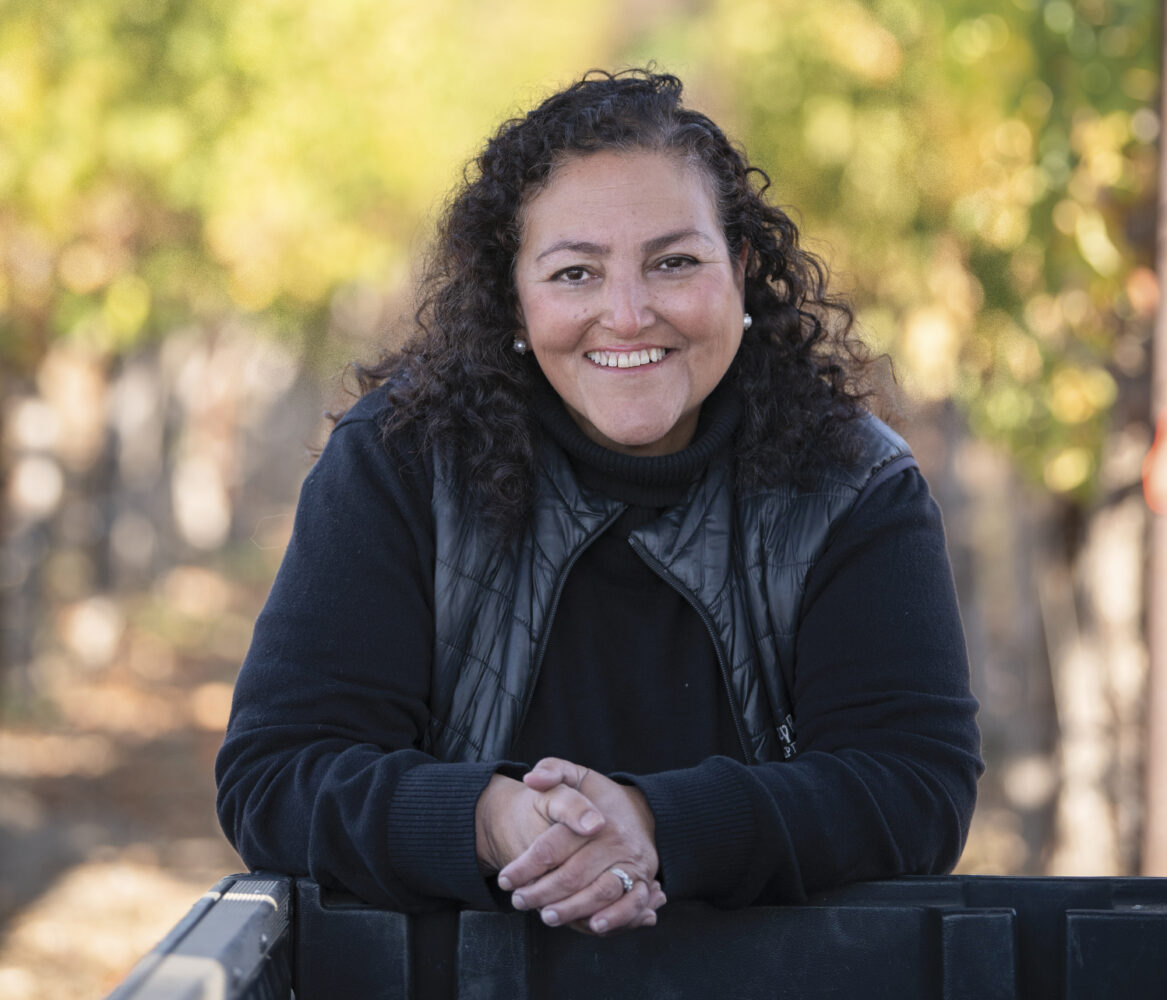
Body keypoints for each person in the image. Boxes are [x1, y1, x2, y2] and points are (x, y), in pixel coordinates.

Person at [215, 68, 982, 936]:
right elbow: (275, 774)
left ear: (737, 272)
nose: (626, 313)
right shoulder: (401, 461)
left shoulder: (854, 484)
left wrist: (653, 824)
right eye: (575, 272)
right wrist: (495, 821)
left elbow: (913, 786)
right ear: (514, 296)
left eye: (675, 262)